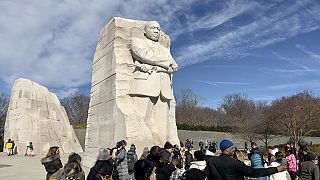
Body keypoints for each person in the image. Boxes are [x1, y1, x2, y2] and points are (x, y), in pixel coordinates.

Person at [129, 21, 179, 145]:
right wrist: (165, 63)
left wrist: (157, 66)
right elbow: (143, 54)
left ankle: (161, 148)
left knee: (163, 125)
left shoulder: (164, 49)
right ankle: (143, 146)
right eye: (153, 28)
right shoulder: (137, 41)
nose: (157, 31)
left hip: (164, 88)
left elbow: (174, 67)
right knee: (141, 119)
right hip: (145, 85)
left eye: (158, 29)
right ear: (145, 31)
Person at [205, 139, 287, 180]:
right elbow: (254, 172)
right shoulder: (234, 163)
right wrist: (276, 169)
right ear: (226, 149)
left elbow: (206, 175)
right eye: (231, 148)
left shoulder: (211, 161)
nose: (233, 150)